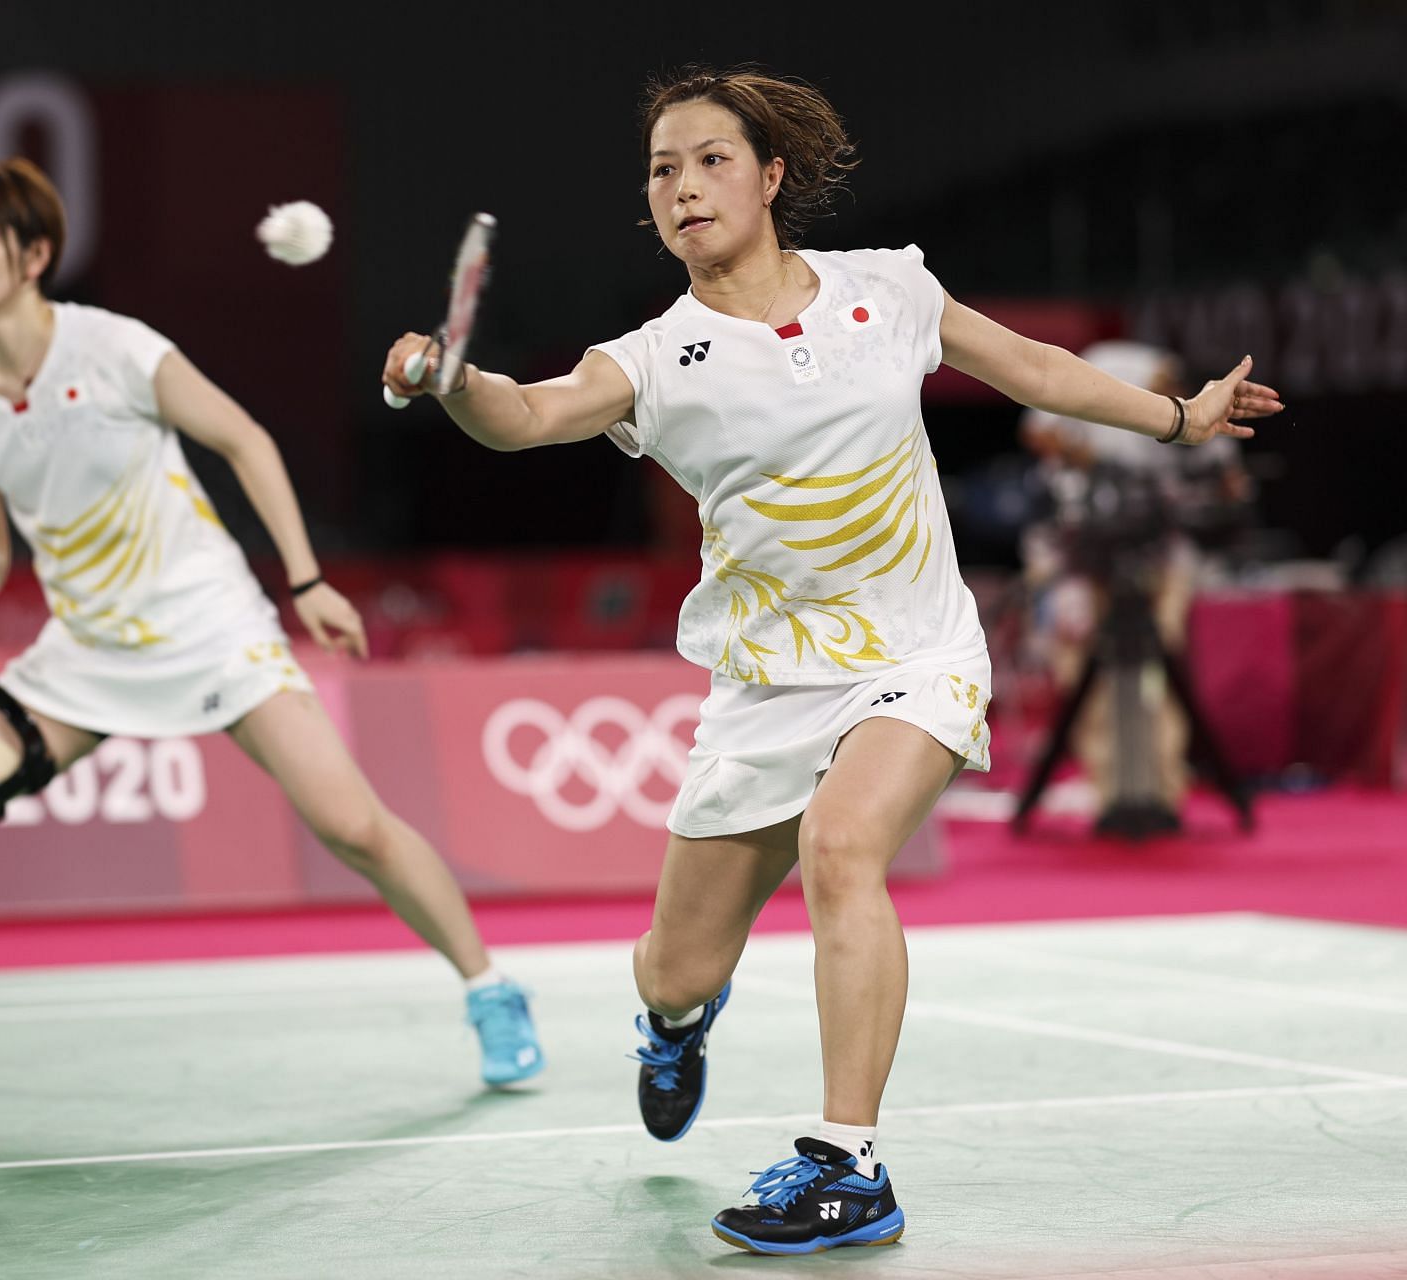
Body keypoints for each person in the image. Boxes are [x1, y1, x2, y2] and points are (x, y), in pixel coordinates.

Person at [382, 66, 1280, 1255]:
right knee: (670, 966)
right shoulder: (656, 355)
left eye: (710, 159)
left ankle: (847, 1163)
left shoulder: (889, 290)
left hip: (914, 649)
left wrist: (1179, 418)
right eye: (662, 169)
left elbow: (1035, 371)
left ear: (771, 176)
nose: (684, 185)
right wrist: (454, 382)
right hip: (764, 686)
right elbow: (530, 412)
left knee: (843, 845)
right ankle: (674, 1021)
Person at [0, 156, 543, 1099]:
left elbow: (244, 439)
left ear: (33, 254)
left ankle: (491, 990)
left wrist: (308, 579)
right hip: (87, 651)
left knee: (352, 825)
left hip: (209, 625)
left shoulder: (115, 349)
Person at [1019, 341, 1254, 820]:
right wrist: (1091, 462)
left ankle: (1163, 786)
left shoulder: (1186, 416)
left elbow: (1230, 487)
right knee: (1081, 668)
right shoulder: (1104, 372)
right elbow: (1039, 432)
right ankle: (1108, 786)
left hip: (1160, 559)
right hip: (1081, 558)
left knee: (1159, 669)